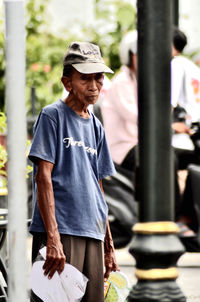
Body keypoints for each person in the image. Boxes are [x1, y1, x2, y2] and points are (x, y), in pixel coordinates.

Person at [28, 41, 119, 302]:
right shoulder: (51, 117)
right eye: (84, 79)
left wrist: (109, 246)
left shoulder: (96, 126)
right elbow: (42, 177)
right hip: (62, 231)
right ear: (67, 83)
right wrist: (53, 240)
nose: (94, 86)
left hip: (92, 230)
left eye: (98, 78)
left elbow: (98, 186)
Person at [101, 30, 138, 173]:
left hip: (137, 144)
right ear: (129, 56)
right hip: (123, 148)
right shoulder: (122, 81)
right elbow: (134, 115)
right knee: (168, 158)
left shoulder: (136, 80)